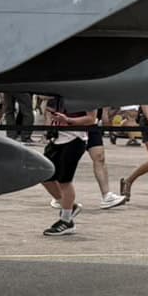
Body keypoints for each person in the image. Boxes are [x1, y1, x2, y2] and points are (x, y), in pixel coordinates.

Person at [39, 98, 99, 236]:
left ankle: (66, 221)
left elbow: (91, 119)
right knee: (43, 174)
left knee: (65, 180)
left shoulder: (86, 94)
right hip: (56, 138)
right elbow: (49, 111)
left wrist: (68, 120)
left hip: (74, 139)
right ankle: (70, 206)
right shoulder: (56, 94)